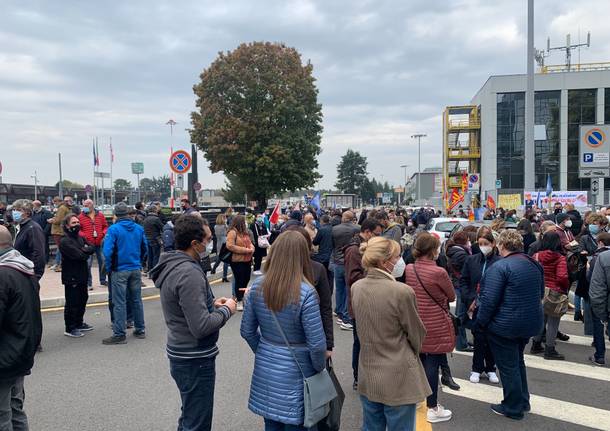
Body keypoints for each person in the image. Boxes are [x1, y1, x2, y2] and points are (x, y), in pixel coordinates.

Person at [151, 215, 236, 431]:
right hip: (194, 358)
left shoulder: (174, 264)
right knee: (197, 422)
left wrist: (210, 303)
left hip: (182, 352)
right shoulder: (189, 273)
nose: (210, 243)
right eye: (207, 240)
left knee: (190, 415)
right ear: (194, 244)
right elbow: (201, 327)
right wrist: (227, 310)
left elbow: (184, 305)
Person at [240, 231, 326, 430]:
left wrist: (264, 350)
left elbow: (247, 331)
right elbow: (316, 344)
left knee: (272, 422)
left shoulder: (257, 286)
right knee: (298, 422)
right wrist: (319, 367)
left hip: (266, 365)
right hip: (299, 369)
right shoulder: (306, 293)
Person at [351, 236, 431, 431]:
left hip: (368, 369)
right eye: (396, 256)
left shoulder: (357, 287)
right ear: (384, 262)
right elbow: (416, 333)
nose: (399, 260)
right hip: (399, 372)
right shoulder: (401, 291)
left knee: (371, 425)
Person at [475, 230, 544, 420]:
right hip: (530, 322)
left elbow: (488, 301)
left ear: (502, 245)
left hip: (505, 325)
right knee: (518, 362)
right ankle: (523, 400)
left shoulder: (499, 267)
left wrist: (480, 323)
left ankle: (513, 407)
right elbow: (540, 294)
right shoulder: (534, 264)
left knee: (508, 366)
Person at [404, 232, 455, 423]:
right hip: (435, 322)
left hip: (415, 320)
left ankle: (419, 399)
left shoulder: (409, 268)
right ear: (434, 250)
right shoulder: (439, 272)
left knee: (419, 361)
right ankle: (432, 406)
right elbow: (451, 296)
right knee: (432, 364)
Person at [0, 225, 42, 431]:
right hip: (20, 350)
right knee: (15, 407)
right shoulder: (23, 268)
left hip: (5, 356)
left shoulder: (3, 274)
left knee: (2, 414)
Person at [343, 219, 383, 390]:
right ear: (367, 232)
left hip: (372, 300)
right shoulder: (354, 251)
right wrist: (375, 275)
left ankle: (370, 374)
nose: (378, 238)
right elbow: (352, 278)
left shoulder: (368, 248)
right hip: (359, 303)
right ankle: (358, 376)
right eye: (376, 234)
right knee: (360, 342)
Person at [459, 226, 501, 384]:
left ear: (493, 243)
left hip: (493, 307)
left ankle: (491, 368)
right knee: (478, 338)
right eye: (480, 243)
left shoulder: (499, 262)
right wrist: (470, 299)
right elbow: (463, 281)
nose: (483, 246)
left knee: (491, 339)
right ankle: (476, 368)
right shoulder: (471, 260)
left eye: (485, 243)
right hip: (474, 306)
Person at [102, 202, 148, 345]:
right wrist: (139, 263)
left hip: (119, 269)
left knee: (119, 302)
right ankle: (140, 329)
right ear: (128, 214)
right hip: (135, 268)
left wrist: (109, 268)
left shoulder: (113, 229)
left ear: (115, 214)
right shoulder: (138, 228)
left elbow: (107, 252)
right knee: (136, 300)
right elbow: (145, 248)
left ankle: (119, 333)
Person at [286, 226, 334, 357]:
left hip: (310, 335)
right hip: (286, 338)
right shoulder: (275, 271)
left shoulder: (317, 269)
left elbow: (325, 307)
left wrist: (328, 343)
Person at [529, 232, 569, 360]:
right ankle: (549, 349)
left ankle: (535, 344)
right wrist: (564, 288)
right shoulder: (560, 258)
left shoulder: (536, 256)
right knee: (553, 321)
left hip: (538, 291)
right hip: (554, 291)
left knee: (542, 319)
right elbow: (562, 277)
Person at [59, 214, 96, 337]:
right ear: (67, 225)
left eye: (77, 222)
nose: (77, 225)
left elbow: (92, 247)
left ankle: (79, 323)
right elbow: (79, 256)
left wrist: (84, 250)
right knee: (72, 302)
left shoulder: (80, 237)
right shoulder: (64, 240)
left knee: (82, 299)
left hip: (82, 274)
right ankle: (70, 327)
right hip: (71, 276)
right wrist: (84, 251)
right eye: (73, 223)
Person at [332, 210, 360, 330]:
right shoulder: (357, 228)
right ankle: (346, 316)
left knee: (339, 289)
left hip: (337, 261)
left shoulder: (335, 229)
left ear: (343, 218)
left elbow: (333, 245)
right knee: (348, 290)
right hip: (349, 261)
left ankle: (339, 312)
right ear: (352, 218)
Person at [445, 231, 472, 352]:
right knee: (460, 315)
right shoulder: (461, 253)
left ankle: (462, 341)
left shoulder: (456, 251)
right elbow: (464, 270)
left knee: (460, 314)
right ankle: (461, 343)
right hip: (461, 285)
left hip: (458, 284)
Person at [586, 232, 610, 366]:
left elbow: (596, 285)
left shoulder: (601, 258)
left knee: (598, 327)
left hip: (604, 303)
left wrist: (600, 311)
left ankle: (599, 355)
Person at [11, 199, 46, 280]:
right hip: (19, 272)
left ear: (27, 212)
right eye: (14, 209)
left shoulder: (32, 228)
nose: (15, 212)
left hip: (27, 274)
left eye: (19, 210)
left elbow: (38, 254)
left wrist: (35, 276)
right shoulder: (20, 227)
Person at [78, 199, 108, 289]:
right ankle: (88, 283)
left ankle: (103, 280)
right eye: (85, 205)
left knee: (103, 261)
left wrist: (103, 233)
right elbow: (78, 229)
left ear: (92, 205)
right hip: (88, 243)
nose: (86, 206)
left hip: (99, 242)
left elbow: (105, 226)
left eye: (88, 204)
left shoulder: (100, 215)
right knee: (88, 263)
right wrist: (84, 236)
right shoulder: (80, 217)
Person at [226, 215, 254, 311]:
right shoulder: (232, 233)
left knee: (246, 279)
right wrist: (246, 250)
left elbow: (250, 244)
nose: (245, 223)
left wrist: (252, 249)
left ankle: (241, 297)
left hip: (247, 260)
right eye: (244, 222)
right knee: (240, 280)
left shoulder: (244, 233)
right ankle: (239, 300)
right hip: (237, 261)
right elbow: (230, 246)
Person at [49, 196, 74, 271]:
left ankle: (58, 264)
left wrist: (51, 220)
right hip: (63, 230)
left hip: (58, 231)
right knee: (61, 248)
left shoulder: (61, 208)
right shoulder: (66, 208)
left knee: (60, 248)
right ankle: (58, 263)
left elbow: (58, 220)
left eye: (54, 202)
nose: (54, 204)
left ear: (57, 201)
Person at [312, 214, 333, 287]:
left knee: (323, 276)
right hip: (332, 256)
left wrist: (313, 238)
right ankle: (330, 291)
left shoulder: (321, 230)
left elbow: (315, 242)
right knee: (331, 276)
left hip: (322, 256)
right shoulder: (333, 228)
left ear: (322, 221)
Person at [143, 205, 164, 274]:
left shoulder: (145, 219)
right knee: (156, 256)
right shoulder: (156, 219)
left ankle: (149, 270)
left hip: (147, 239)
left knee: (150, 256)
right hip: (155, 239)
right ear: (154, 210)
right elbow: (162, 227)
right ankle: (155, 271)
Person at [211, 214, 229, 282]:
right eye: (224, 218)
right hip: (225, 242)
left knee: (219, 258)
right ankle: (224, 276)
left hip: (219, 243)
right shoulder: (224, 226)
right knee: (226, 261)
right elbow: (227, 233)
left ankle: (214, 269)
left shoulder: (215, 226)